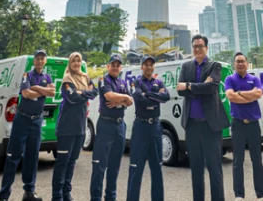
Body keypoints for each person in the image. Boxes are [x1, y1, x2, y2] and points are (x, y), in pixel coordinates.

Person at [177, 34, 230, 201]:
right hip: (192, 126)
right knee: (196, 169)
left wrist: (189, 86)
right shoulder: (186, 66)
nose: (197, 49)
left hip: (210, 126)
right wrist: (199, 87)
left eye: (200, 46)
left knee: (215, 169)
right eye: (195, 46)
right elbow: (180, 90)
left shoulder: (214, 66)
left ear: (207, 48)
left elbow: (212, 88)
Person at [0, 49, 55, 201]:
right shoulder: (27, 75)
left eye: (42, 58)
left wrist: (36, 88)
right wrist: (42, 91)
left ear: (45, 61)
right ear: (34, 60)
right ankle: (4, 195)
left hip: (36, 121)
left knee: (32, 156)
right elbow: (26, 94)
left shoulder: (47, 76)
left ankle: (29, 192)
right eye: (37, 58)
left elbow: (52, 93)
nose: (40, 61)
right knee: (13, 156)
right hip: (22, 120)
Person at [51, 52, 97, 201]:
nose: (76, 63)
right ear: (70, 63)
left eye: (79, 61)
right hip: (66, 128)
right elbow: (72, 97)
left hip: (80, 128)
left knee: (72, 162)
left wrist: (81, 91)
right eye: (74, 61)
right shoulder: (67, 80)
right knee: (62, 162)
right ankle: (57, 195)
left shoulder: (85, 77)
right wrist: (85, 93)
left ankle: (66, 194)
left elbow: (95, 92)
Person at [126, 54, 169, 201]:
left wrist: (148, 95)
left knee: (157, 168)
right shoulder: (135, 83)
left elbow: (166, 97)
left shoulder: (159, 82)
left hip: (156, 127)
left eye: (151, 64)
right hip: (141, 127)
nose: (149, 66)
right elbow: (138, 98)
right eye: (146, 64)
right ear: (141, 66)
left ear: (153, 66)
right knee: (135, 168)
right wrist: (156, 96)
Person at [90, 53, 132, 201]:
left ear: (121, 67)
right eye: (112, 65)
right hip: (106, 124)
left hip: (120, 126)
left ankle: (110, 197)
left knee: (114, 166)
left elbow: (130, 101)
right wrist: (124, 98)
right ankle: (95, 198)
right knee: (99, 165)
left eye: (118, 65)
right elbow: (109, 96)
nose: (115, 67)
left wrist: (121, 101)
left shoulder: (123, 82)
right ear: (108, 66)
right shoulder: (103, 80)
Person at [224, 52, 263, 201]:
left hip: (253, 124)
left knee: (257, 160)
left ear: (247, 63)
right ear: (234, 64)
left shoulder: (254, 79)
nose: (240, 64)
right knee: (237, 161)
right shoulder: (229, 79)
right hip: (238, 125)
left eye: (242, 61)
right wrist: (249, 95)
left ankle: (260, 194)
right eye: (237, 61)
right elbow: (230, 96)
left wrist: (240, 93)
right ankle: (239, 195)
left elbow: (258, 94)